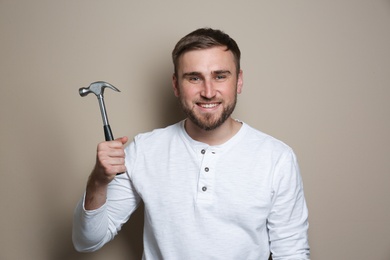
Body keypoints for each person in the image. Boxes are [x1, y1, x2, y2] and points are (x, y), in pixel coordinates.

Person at [72, 27, 310, 259]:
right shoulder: (144, 150)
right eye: (194, 78)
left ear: (238, 81)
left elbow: (292, 253)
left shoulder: (277, 157)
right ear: (176, 85)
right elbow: (87, 241)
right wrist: (98, 181)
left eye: (220, 76)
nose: (208, 91)